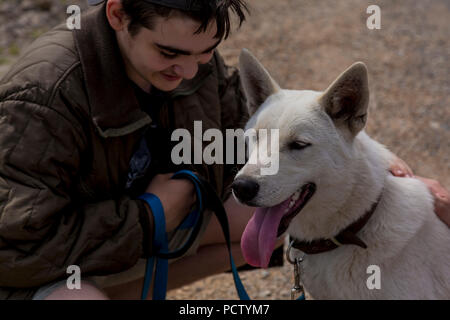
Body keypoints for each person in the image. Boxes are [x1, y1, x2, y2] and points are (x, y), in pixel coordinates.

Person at [0, 0, 447, 300]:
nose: (190, 70)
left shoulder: (189, 55)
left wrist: (383, 170)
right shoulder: (41, 95)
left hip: (136, 218)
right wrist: (154, 213)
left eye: (205, 53)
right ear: (118, 14)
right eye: (169, 52)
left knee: (291, 222)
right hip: (42, 268)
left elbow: (256, 133)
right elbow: (16, 250)